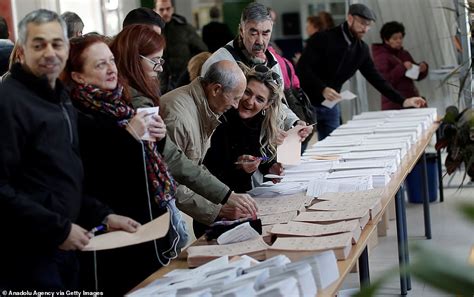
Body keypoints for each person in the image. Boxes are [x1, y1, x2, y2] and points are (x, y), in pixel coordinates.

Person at [0, 9, 139, 290]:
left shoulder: (60, 98)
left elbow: (64, 176)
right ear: (22, 51)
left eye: (57, 43)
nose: (50, 52)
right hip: (29, 255)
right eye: (39, 44)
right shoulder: (8, 101)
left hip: (65, 249)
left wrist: (102, 215)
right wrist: (59, 229)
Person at [64, 33, 180, 295]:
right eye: (99, 64)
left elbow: (143, 162)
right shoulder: (77, 116)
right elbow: (95, 175)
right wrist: (129, 137)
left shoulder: (121, 104)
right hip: (110, 232)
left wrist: (157, 139)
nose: (110, 69)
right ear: (78, 76)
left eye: (112, 61)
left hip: (143, 224)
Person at [109, 24, 256, 229]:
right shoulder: (173, 114)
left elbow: (187, 163)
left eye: (161, 60)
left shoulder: (199, 107)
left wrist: (223, 196)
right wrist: (220, 203)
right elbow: (172, 164)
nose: (160, 68)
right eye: (155, 61)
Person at [296, 3, 426, 140]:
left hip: (331, 106)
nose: (365, 29)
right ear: (350, 18)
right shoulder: (323, 38)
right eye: (362, 23)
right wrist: (322, 89)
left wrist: (404, 101)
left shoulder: (361, 49)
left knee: (330, 150)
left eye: (368, 25)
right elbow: (302, 69)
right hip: (306, 103)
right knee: (297, 149)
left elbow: (377, 79)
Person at [160, 60, 258, 236]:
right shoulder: (179, 118)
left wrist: (226, 197)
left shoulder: (206, 108)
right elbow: (171, 180)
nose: (236, 105)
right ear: (216, 89)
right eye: (235, 98)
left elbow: (195, 166)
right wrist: (217, 209)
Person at [201, 2, 313, 137]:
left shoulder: (272, 62)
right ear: (241, 30)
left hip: (259, 143)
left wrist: (294, 123)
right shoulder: (220, 62)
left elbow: (277, 103)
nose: (260, 41)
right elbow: (210, 113)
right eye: (253, 33)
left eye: (266, 33)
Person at [204, 64, 285, 192]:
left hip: (244, 196)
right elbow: (207, 169)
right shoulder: (221, 116)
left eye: (259, 99)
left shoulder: (262, 123)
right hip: (215, 196)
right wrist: (238, 166)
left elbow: (262, 157)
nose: (250, 101)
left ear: (267, 105)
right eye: (247, 92)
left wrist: (271, 167)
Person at [372, 21, 429, 110]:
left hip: (411, 100)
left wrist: (422, 68)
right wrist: (402, 68)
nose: (399, 41)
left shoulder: (404, 53)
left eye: (401, 38)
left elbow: (415, 76)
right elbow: (384, 81)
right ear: (386, 40)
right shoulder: (381, 56)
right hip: (393, 104)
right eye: (395, 39)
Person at [154, 0, 208, 93]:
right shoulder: (152, 31)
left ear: (172, 9)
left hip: (184, 80)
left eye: (168, 9)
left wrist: (190, 67)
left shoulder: (184, 28)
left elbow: (202, 52)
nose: (165, 12)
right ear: (155, 11)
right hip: (161, 82)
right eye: (161, 10)